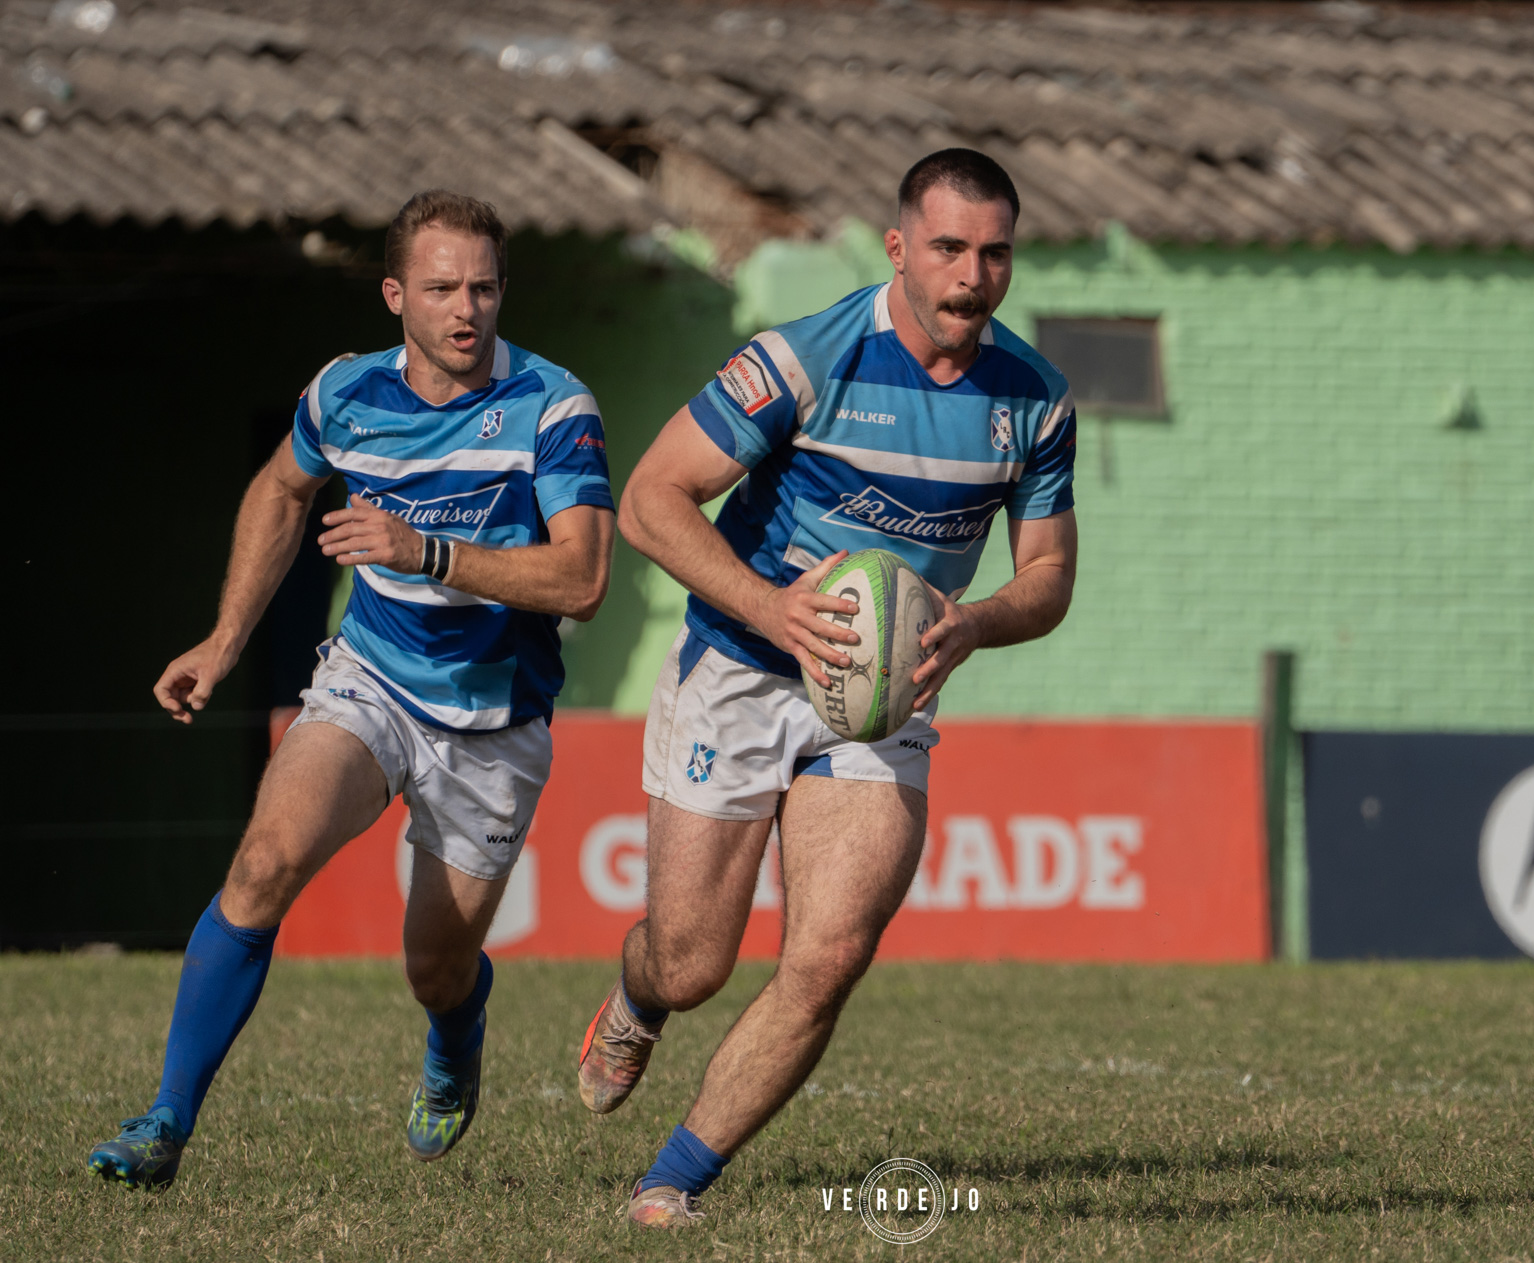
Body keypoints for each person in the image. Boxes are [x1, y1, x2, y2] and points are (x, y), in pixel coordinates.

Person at [579, 149, 1079, 1228]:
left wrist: (976, 622)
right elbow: (652, 500)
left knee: (833, 952)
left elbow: (1047, 580)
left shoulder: (1034, 402)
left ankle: (671, 1182)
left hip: (882, 704)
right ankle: (637, 995)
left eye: (994, 254)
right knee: (693, 960)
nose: (970, 276)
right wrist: (772, 610)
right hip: (743, 671)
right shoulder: (804, 360)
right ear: (898, 248)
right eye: (947, 248)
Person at [87, 189, 616, 1188]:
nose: (467, 310)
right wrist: (224, 639)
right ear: (393, 295)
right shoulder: (345, 395)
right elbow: (282, 490)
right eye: (441, 288)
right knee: (263, 864)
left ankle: (455, 1041)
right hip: (368, 679)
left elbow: (581, 577)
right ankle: (163, 1124)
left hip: (493, 722)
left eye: (485, 288)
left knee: (436, 967)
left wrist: (425, 549)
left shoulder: (553, 405)